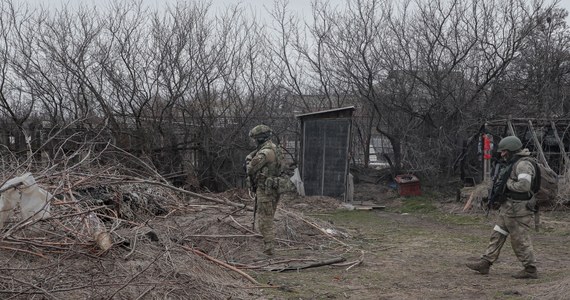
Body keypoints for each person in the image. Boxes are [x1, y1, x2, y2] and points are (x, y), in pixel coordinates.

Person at [466, 135, 538, 279]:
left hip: (519, 210)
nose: (502, 154)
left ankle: (530, 269)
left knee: (519, 240)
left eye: (505, 151)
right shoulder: (513, 163)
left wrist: (507, 185)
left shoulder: (523, 165)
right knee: (497, 234)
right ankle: (485, 263)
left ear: (512, 150)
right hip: (509, 208)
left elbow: (524, 186)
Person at [245, 124, 281, 256]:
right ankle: (269, 247)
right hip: (272, 188)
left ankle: (269, 249)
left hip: (266, 190)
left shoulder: (265, 152)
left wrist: (249, 159)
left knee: (265, 220)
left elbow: (250, 168)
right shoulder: (274, 148)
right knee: (268, 218)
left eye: (255, 139)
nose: (254, 141)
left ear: (260, 139)